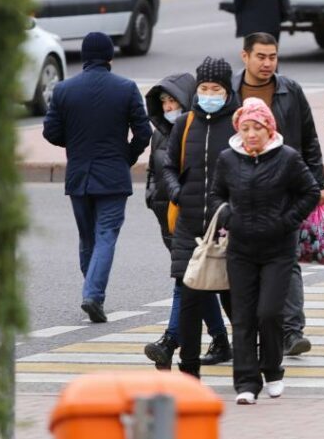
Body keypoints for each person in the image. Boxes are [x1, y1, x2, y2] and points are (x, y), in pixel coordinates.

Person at [211, 97, 318, 405]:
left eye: (257, 127)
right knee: (243, 318)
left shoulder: (287, 158)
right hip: (240, 250)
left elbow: (310, 192)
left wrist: (288, 221)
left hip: (277, 250)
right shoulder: (228, 159)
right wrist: (226, 215)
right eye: (245, 128)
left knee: (269, 313)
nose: (251, 134)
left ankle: (272, 369)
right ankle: (245, 382)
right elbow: (216, 193)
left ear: (269, 129)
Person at [43, 32, 151, 323]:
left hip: (79, 176)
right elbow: (144, 132)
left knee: (87, 237)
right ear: (110, 57)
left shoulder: (64, 90)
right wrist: (127, 156)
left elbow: (50, 133)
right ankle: (93, 295)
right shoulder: (126, 88)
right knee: (106, 236)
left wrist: (77, 146)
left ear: (85, 56)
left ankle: (91, 291)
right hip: (113, 177)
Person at [232, 32, 324, 358]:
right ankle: (248, 332)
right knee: (242, 265)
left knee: (288, 261)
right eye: (261, 56)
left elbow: (309, 139)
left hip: (285, 187)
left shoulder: (290, 90)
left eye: (273, 56)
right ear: (245, 56)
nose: (268, 63)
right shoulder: (231, 91)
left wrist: (319, 182)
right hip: (241, 190)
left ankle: (292, 332)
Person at [143, 73, 233, 370]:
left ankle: (170, 341)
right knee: (197, 281)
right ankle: (221, 339)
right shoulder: (161, 133)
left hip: (202, 220)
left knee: (191, 281)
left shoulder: (198, 129)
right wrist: (154, 193)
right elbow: (157, 171)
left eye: (173, 101)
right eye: (164, 103)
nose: (169, 107)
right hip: (170, 221)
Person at [163, 57, 240, 379]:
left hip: (228, 229)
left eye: (216, 88)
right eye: (204, 88)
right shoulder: (185, 124)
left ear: (227, 91)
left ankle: (252, 363)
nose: (209, 93)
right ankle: (189, 373)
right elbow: (167, 165)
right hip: (190, 226)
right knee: (190, 299)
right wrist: (177, 192)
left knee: (236, 301)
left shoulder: (238, 123)